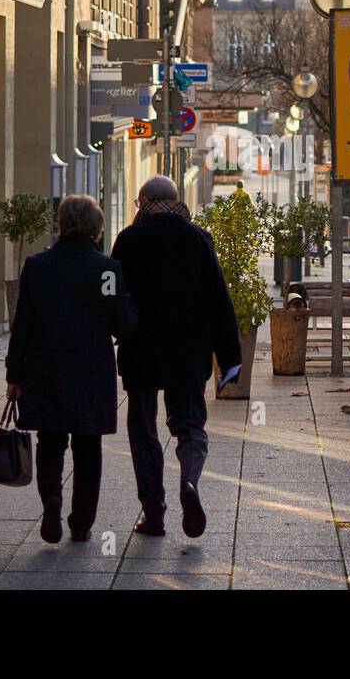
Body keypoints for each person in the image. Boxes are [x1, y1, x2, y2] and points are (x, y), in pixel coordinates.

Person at [111, 175, 241, 538]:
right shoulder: (198, 238)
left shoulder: (128, 240)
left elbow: (113, 295)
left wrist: (110, 330)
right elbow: (220, 298)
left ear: (144, 201)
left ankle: (153, 512)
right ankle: (190, 481)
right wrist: (229, 355)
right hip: (189, 353)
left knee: (143, 427)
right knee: (189, 425)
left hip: (142, 351)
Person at [5, 195, 137, 544]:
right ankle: (81, 522)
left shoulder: (37, 267)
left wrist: (14, 375)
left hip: (45, 367)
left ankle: (51, 500)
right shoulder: (107, 270)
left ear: (61, 224)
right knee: (88, 446)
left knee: (50, 441)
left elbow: (23, 326)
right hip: (91, 370)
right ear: (97, 227)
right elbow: (121, 324)